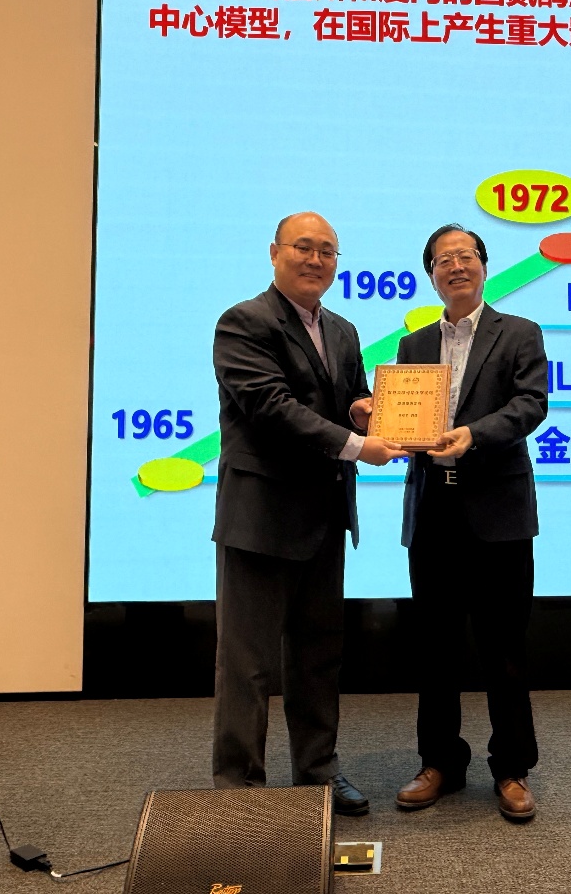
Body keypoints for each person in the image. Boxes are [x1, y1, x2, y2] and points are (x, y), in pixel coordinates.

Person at [211, 211, 406, 815]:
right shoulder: (244, 321)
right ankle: (240, 789)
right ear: (275, 253)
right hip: (261, 516)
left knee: (319, 655)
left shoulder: (342, 329)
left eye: (327, 251)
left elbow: (342, 399)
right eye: (304, 247)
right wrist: (356, 444)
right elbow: (270, 406)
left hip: (323, 515)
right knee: (248, 663)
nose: (315, 259)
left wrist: (364, 411)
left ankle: (318, 772)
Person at [392, 223, 548, 820]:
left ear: (484, 265)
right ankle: (439, 762)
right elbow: (407, 420)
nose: (455, 266)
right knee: (435, 648)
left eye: (465, 256)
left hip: (498, 513)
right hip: (433, 510)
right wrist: (384, 425)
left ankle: (512, 768)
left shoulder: (520, 333)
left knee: (504, 647)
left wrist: (472, 436)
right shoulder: (413, 346)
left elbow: (530, 404)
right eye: (443, 260)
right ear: (431, 275)